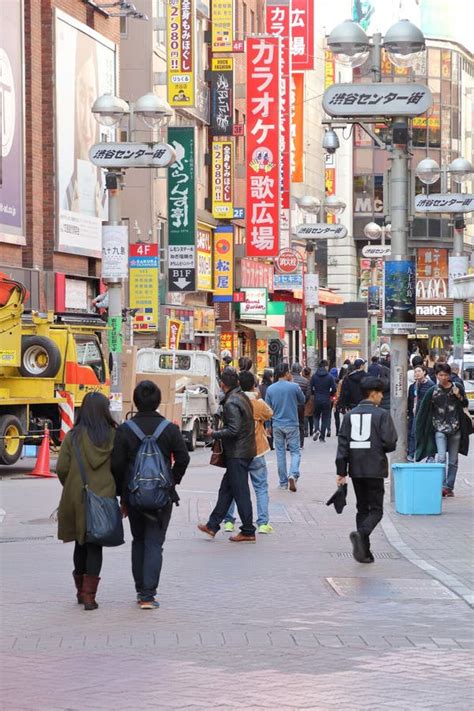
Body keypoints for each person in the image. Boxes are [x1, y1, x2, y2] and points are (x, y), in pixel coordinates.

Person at [111, 381, 190, 609]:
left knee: (139, 540)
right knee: (155, 542)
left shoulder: (125, 430)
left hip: (134, 495)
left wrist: (123, 495)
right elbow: (183, 458)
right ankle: (148, 595)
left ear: (135, 401)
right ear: (157, 402)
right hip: (161, 497)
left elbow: (117, 464)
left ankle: (140, 590)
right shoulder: (170, 429)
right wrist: (171, 482)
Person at [56, 392, 117, 611]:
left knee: (80, 543)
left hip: (77, 495)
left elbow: (61, 467)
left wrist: (71, 484)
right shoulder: (113, 435)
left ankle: (80, 592)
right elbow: (119, 467)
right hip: (103, 496)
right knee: (95, 545)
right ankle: (90, 597)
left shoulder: (73, 437)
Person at [335, 377, 398, 563]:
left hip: (356, 468)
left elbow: (342, 445)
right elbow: (390, 442)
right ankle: (361, 535)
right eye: (380, 393)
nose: (381, 397)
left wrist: (341, 471)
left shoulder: (349, 416)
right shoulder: (382, 415)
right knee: (376, 510)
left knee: (362, 508)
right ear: (373, 393)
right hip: (375, 467)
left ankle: (365, 552)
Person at [198, 367, 257, 542]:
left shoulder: (231, 402)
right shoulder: (241, 397)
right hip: (243, 450)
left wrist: (213, 433)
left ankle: (248, 530)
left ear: (222, 384)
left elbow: (233, 429)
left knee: (240, 492)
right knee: (226, 490)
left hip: (238, 453)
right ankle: (212, 525)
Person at [223, 371, 274, 534]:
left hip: (238, 451)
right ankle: (263, 523)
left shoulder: (234, 401)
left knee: (234, 486)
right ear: (254, 385)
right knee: (261, 487)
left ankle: (229, 521)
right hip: (257, 450)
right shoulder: (258, 403)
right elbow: (269, 414)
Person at [415, 363, 470, 497]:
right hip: (439, 428)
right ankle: (442, 486)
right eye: (440, 375)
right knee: (440, 458)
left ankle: (449, 487)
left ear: (449, 375)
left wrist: (459, 396)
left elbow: (465, 404)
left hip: (455, 429)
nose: (443, 377)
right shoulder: (432, 391)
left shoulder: (458, 388)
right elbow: (423, 411)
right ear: (436, 375)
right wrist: (418, 427)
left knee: (453, 460)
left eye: (445, 375)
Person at [265, 363, 305, 492]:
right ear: (287, 373)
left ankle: (283, 482)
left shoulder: (270, 389)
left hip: (277, 425)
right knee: (294, 452)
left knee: (280, 454)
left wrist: (268, 426)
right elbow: (302, 400)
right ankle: (293, 474)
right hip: (292, 423)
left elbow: (267, 410)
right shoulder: (294, 387)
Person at [407, 365, 433, 461]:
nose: (416, 373)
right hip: (416, 413)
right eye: (415, 372)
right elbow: (410, 400)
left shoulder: (430, 385)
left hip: (427, 413)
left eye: (419, 371)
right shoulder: (413, 386)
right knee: (414, 433)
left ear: (424, 372)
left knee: (428, 434)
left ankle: (430, 456)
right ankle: (411, 454)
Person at [310, 360, 336, 443]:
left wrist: (315, 393)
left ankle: (317, 429)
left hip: (317, 398)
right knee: (325, 418)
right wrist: (330, 394)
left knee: (316, 415)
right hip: (326, 399)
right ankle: (322, 437)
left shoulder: (314, 376)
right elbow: (334, 389)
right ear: (325, 366)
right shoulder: (330, 376)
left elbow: (311, 388)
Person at [291, 362, 310, 447]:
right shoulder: (305, 381)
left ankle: (291, 442)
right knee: (301, 424)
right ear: (300, 370)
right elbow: (308, 394)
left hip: (290, 405)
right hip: (300, 406)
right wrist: (303, 402)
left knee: (290, 423)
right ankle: (301, 443)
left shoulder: (289, 380)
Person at [302, 367, 314, 437]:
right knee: (311, 415)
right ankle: (311, 431)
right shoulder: (311, 379)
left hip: (305, 397)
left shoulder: (303, 379)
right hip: (312, 397)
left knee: (305, 415)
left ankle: (306, 430)